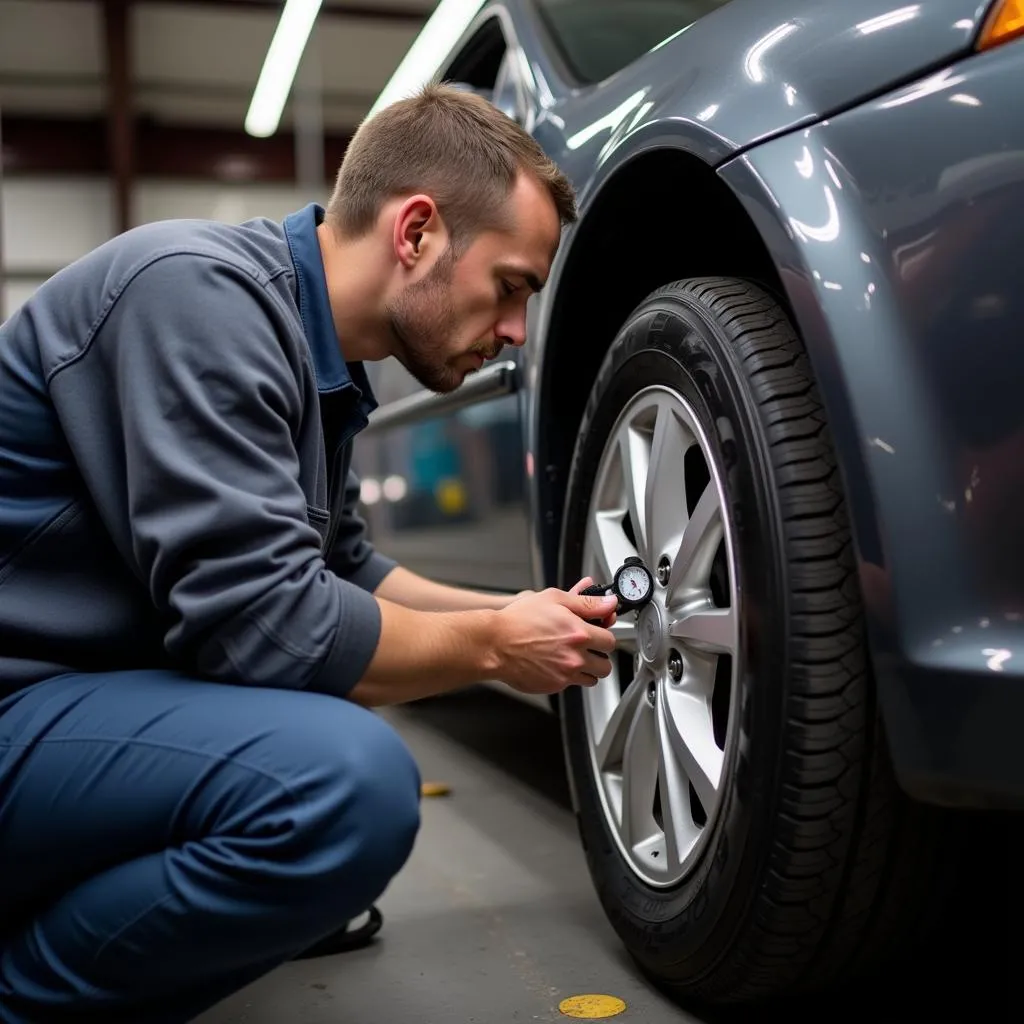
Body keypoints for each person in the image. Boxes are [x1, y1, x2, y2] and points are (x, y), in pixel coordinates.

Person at [0, 84, 619, 1023]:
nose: (514, 335)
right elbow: (265, 630)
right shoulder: (197, 295)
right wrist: (497, 647)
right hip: (18, 707)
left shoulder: (310, 355)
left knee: (313, 821)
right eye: (510, 287)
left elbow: (344, 571)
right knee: (345, 791)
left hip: (69, 698)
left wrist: (524, 614)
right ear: (416, 233)